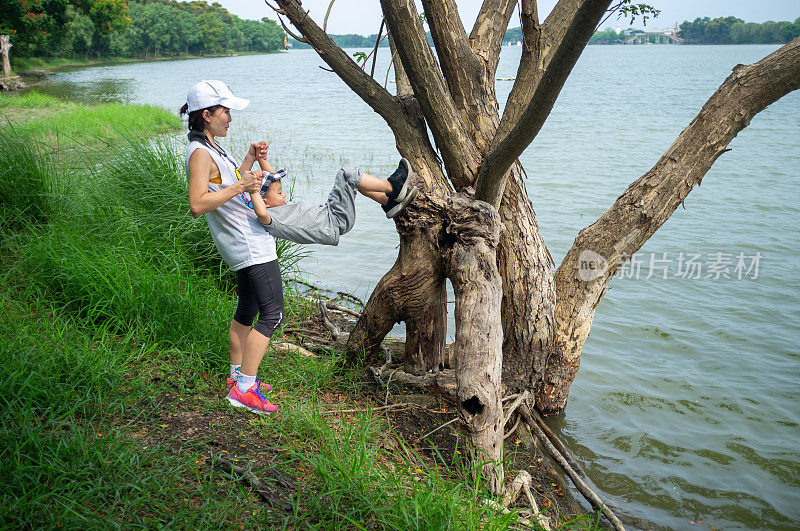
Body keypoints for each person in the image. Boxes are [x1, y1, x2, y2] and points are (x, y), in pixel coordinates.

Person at [181, 80, 280, 414]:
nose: (230, 119)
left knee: (248, 310)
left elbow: (224, 184)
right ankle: (245, 389)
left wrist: (248, 162)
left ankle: (237, 374)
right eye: (225, 112)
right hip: (248, 245)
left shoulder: (210, 146)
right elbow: (197, 203)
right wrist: (242, 183)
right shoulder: (199, 153)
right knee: (273, 314)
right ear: (206, 114)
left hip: (243, 243)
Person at [250, 153, 418, 246]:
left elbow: (272, 184)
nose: (284, 194)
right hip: (334, 221)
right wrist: (252, 188)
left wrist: (260, 158)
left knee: (354, 183)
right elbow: (261, 212)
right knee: (346, 175)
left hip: (331, 213)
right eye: (280, 194)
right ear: (264, 202)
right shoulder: (271, 218)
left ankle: (388, 202)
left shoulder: (274, 207)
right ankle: (393, 187)